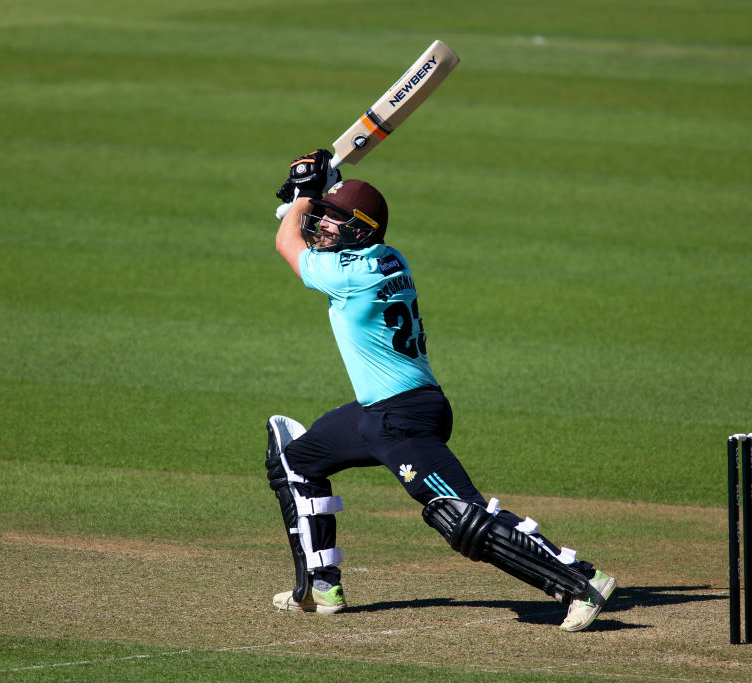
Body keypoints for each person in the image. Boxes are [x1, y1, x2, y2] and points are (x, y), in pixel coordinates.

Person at [264, 149, 615, 632]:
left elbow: (287, 245)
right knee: (297, 460)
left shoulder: (350, 276)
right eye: (323, 216)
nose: (323, 225)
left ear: (360, 231)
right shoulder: (389, 257)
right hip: (382, 412)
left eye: (334, 219)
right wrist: (312, 200)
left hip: (401, 418)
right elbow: (311, 240)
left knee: (459, 515)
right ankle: (320, 586)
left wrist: (304, 194)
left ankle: (582, 581)